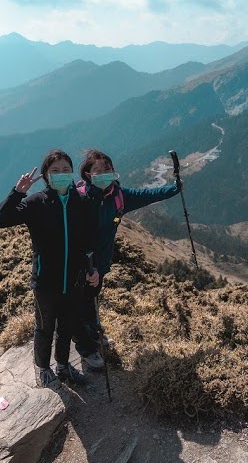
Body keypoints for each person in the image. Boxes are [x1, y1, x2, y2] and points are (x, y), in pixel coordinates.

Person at [0, 149, 99, 388]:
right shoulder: (35, 202)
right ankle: (43, 368)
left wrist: (92, 269)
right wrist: (18, 192)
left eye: (65, 170)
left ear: (72, 173)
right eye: (55, 171)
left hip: (73, 280)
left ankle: (62, 365)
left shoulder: (81, 202)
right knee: (44, 327)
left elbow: (87, 242)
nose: (61, 174)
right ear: (46, 175)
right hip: (45, 283)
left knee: (67, 326)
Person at [74, 149, 181, 370]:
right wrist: (85, 267)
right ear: (87, 174)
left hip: (101, 263)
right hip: (79, 264)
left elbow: (148, 195)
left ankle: (94, 332)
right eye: (98, 170)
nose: (104, 173)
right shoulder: (80, 199)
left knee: (92, 298)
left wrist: (174, 189)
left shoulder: (119, 197)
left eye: (107, 169)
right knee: (80, 304)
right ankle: (88, 350)